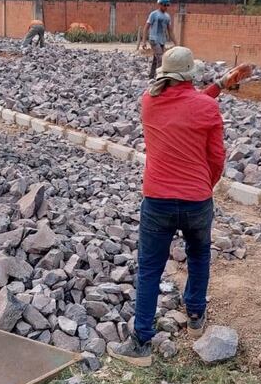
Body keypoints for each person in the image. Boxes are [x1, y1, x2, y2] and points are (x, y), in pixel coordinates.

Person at [108, 47, 253, 367]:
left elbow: (183, 103)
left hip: (157, 200)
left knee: (149, 268)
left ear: (163, 74)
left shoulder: (148, 103)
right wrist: (205, 185)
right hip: (197, 200)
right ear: (191, 74)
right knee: (199, 255)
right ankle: (196, 315)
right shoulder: (207, 109)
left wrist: (220, 86)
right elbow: (216, 157)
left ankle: (141, 343)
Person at [143, 0, 175, 79]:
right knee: (160, 58)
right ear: (160, 4)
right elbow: (146, 27)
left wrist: (176, 43)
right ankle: (159, 78)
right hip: (153, 39)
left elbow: (170, 31)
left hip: (162, 40)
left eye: (167, 5)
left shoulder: (167, 16)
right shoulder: (154, 14)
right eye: (164, 5)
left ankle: (151, 76)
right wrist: (144, 41)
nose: (166, 7)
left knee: (156, 58)